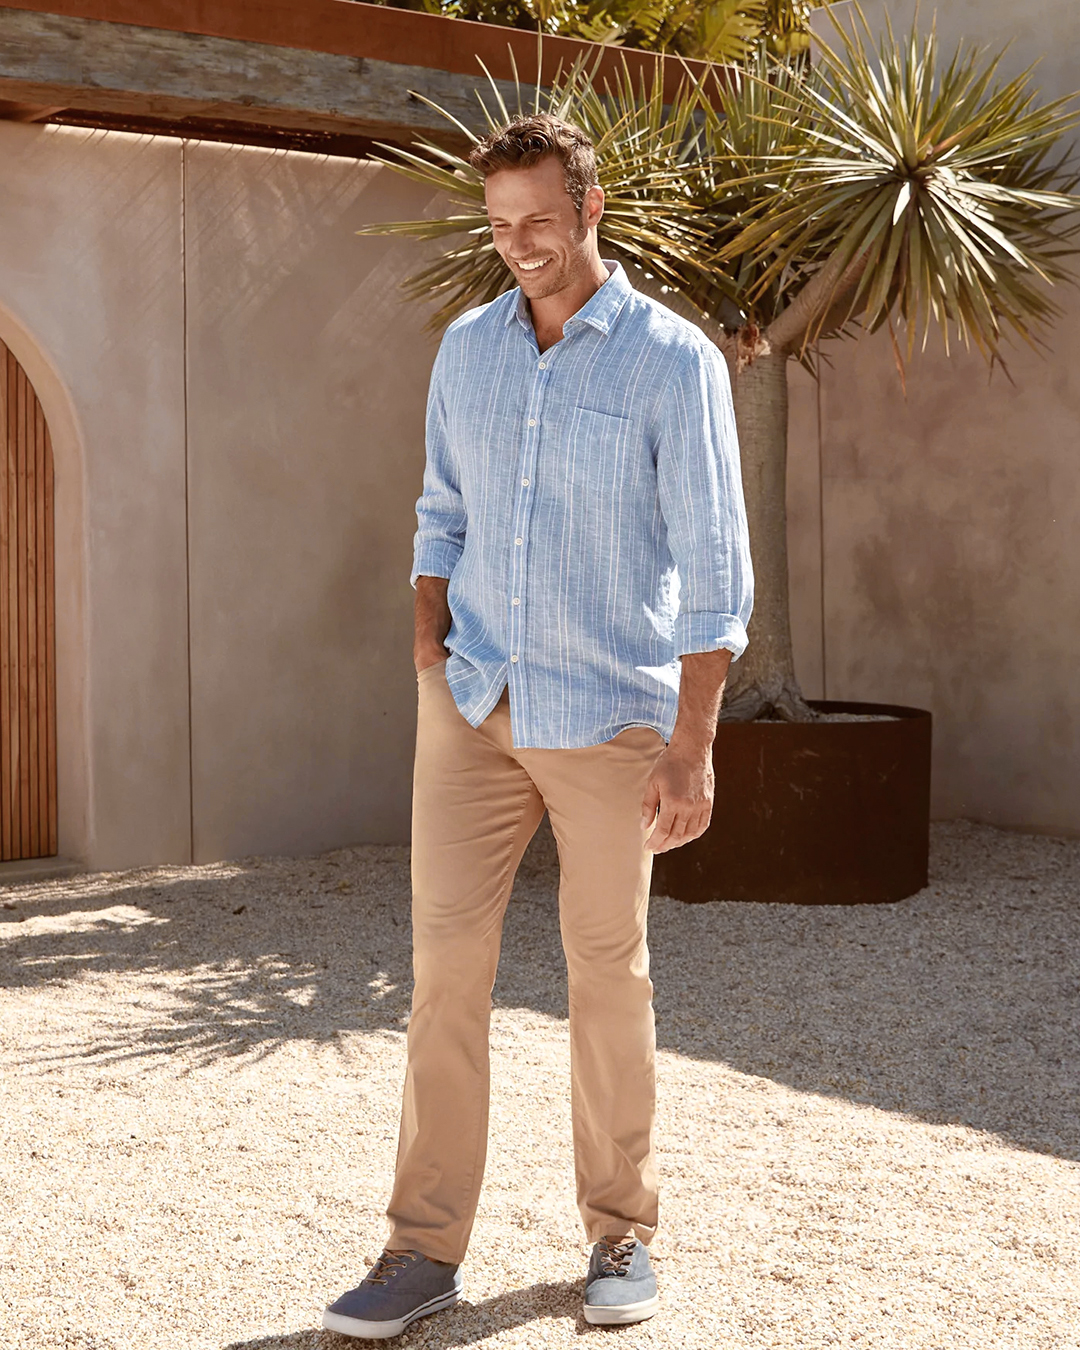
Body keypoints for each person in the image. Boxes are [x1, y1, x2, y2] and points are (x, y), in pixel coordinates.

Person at [323, 112, 752, 1340]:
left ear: (592, 211)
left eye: (542, 225)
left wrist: (695, 737)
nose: (521, 247)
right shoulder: (468, 349)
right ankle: (420, 1252)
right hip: (471, 703)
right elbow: (440, 506)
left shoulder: (673, 362)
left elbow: (718, 570)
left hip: (610, 709)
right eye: (502, 227)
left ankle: (620, 1231)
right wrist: (426, 632)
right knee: (443, 975)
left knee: (605, 972)